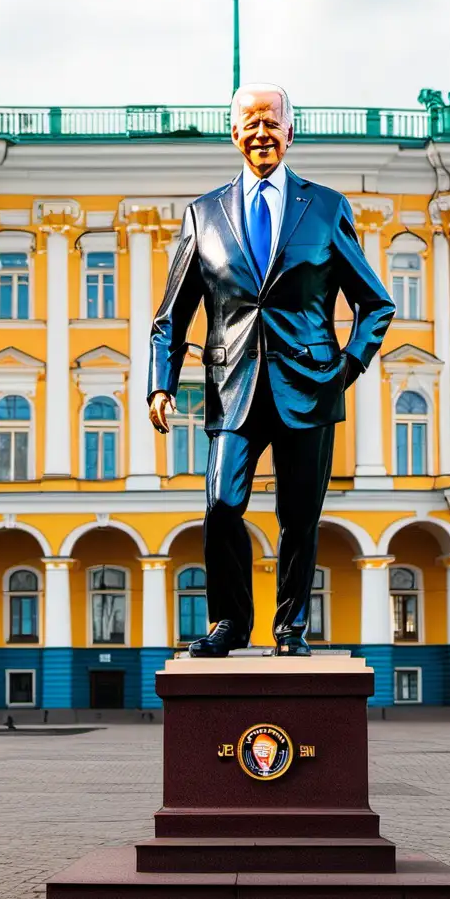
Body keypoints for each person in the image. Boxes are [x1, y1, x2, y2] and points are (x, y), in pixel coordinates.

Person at [147, 82, 395, 658]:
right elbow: (171, 315)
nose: (262, 133)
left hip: (310, 386)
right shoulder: (202, 214)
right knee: (221, 506)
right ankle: (230, 623)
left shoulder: (327, 207)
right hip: (232, 388)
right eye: (250, 122)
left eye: (272, 122)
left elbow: (376, 302)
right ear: (234, 134)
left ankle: (290, 628)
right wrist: (161, 384)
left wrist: (345, 368)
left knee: (299, 514)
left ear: (290, 132)